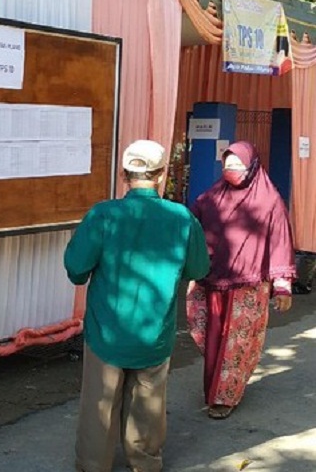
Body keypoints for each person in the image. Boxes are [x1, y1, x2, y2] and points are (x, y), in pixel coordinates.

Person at [65, 140, 210, 472]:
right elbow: (198, 268)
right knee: (148, 403)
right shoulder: (182, 218)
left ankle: (93, 464)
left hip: (106, 331)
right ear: (161, 175)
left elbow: (76, 269)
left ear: (123, 175)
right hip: (155, 331)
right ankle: (145, 463)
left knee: (100, 405)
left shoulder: (103, 215)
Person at [187, 141, 295, 420]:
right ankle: (215, 387)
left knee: (236, 343)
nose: (232, 171)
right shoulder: (210, 198)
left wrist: (282, 285)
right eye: (228, 166)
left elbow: (280, 243)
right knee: (210, 338)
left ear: (253, 167)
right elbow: (191, 229)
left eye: (238, 166)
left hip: (249, 285)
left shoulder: (270, 201)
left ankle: (225, 396)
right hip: (210, 280)